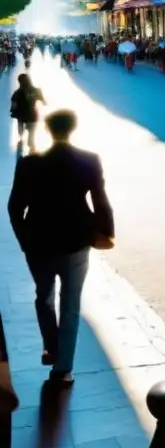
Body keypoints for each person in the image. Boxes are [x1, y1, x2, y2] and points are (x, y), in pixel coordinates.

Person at [7, 110, 115, 387]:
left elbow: (15, 207)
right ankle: (63, 367)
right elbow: (100, 201)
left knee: (43, 296)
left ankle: (50, 345)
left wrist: (24, 241)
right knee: (70, 303)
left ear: (48, 129)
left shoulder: (30, 163)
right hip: (76, 242)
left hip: (38, 243)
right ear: (73, 128)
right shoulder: (89, 160)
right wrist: (107, 233)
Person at [9, 74, 46, 154]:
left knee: (20, 123)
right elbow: (43, 100)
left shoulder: (17, 93)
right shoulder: (35, 90)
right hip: (32, 114)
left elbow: (13, 104)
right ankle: (31, 144)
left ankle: (21, 137)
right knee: (32, 130)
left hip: (21, 115)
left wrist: (12, 110)